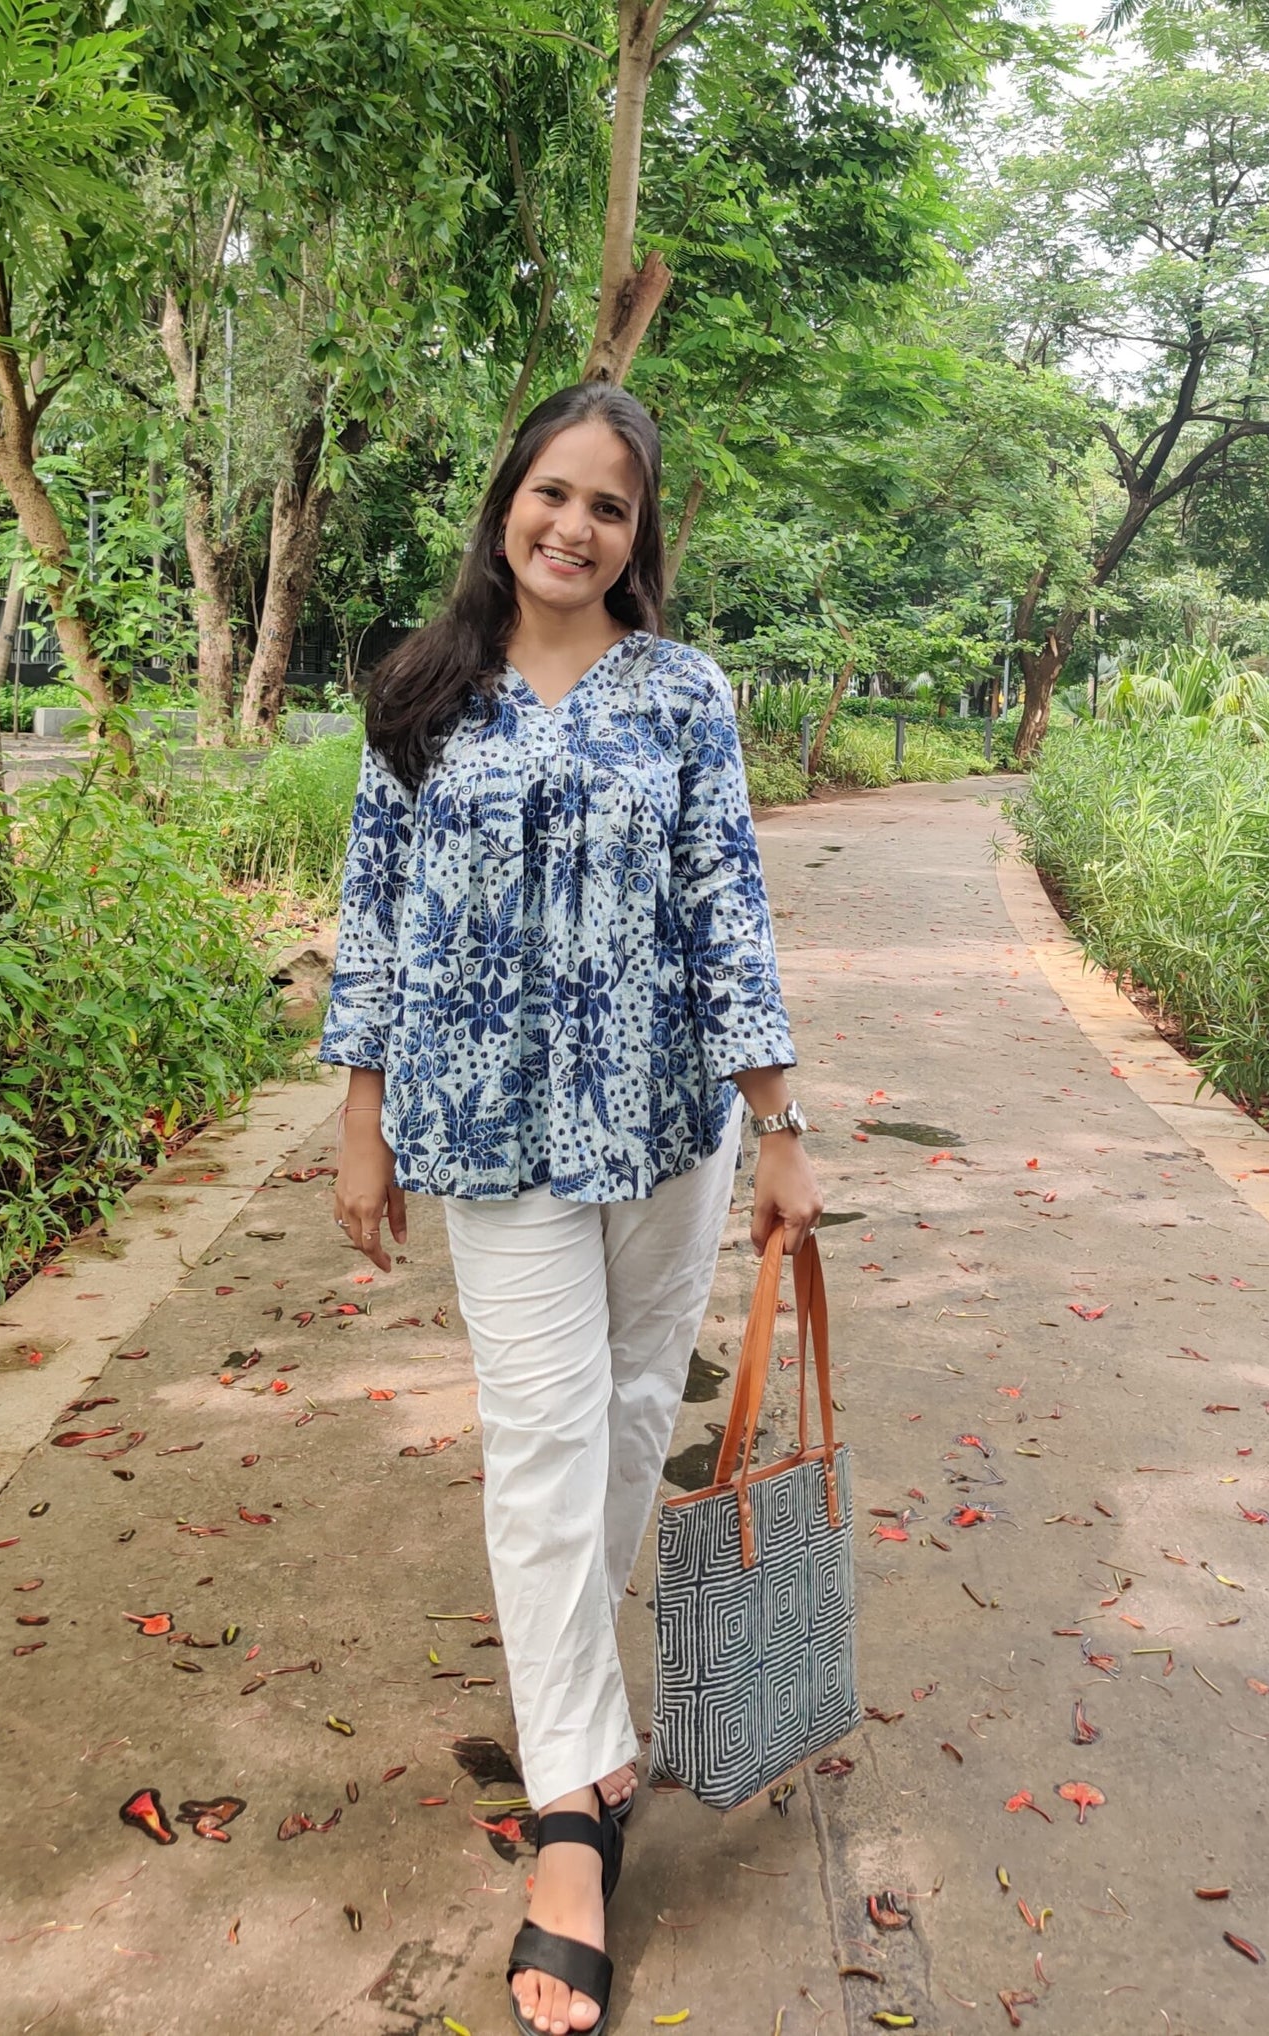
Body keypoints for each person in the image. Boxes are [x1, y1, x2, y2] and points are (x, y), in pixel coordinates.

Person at [323, 382, 823, 2036]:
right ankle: (567, 1818)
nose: (572, 526)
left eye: (608, 506)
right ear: (505, 503)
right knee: (541, 1439)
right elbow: (374, 918)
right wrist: (361, 1115)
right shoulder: (420, 690)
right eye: (551, 492)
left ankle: (576, 1714)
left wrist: (779, 1130)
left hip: (665, 1129)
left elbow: (723, 906)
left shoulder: (682, 694)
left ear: (637, 534)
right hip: (484, 1138)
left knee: (619, 1418)